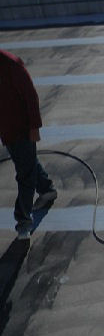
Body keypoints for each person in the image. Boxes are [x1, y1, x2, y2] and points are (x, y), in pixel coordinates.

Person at [0, 50, 57, 240]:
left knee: (25, 175)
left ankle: (23, 221)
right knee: (27, 164)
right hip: (7, 131)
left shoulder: (11, 64)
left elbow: (30, 95)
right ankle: (47, 190)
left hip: (21, 130)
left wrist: (35, 127)